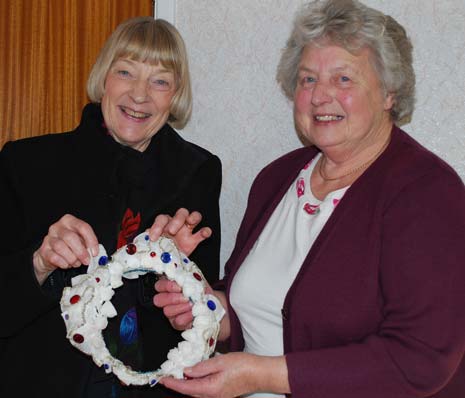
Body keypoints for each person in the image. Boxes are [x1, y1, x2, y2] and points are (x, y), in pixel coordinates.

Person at [152, 1, 465, 397]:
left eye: (344, 79)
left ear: (389, 93)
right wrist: (204, 308)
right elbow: (250, 305)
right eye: (308, 79)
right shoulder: (276, 179)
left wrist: (263, 375)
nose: (320, 96)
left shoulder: (426, 193)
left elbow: (421, 358)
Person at [0, 17, 221, 398]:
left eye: (160, 80)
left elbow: (203, 323)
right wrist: (40, 264)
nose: (140, 94)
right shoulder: (25, 164)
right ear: (104, 78)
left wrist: (178, 273)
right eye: (125, 72)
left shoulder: (198, 172)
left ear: (176, 94)